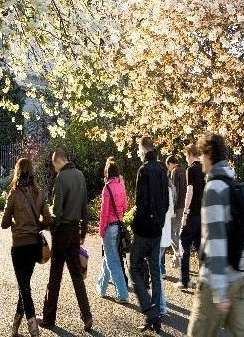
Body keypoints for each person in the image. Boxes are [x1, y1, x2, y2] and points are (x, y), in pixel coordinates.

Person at [187, 133, 244, 337]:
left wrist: (219, 291)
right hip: (239, 278)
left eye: (201, 154)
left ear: (209, 154)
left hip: (216, 282)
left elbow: (215, 240)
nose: (199, 159)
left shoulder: (215, 188)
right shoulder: (234, 184)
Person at [37, 149, 93, 331]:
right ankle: (87, 315)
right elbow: (85, 208)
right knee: (77, 275)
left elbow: (58, 211)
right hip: (75, 232)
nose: (55, 170)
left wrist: (50, 230)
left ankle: (48, 317)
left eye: (55, 166)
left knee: (55, 276)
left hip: (61, 232)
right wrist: (83, 232)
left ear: (59, 161)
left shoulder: (61, 178)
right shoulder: (80, 176)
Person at [1, 158, 52, 337]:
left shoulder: (13, 194)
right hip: (33, 246)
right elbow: (47, 220)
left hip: (19, 246)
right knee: (24, 285)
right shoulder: (40, 194)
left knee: (24, 287)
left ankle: (33, 328)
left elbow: (4, 223)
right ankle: (15, 326)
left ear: (17, 172)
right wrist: (35, 221)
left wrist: (16, 219)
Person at [129, 136, 169, 333]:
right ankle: (156, 318)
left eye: (138, 150)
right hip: (157, 229)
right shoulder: (162, 170)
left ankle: (150, 312)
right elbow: (167, 202)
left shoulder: (144, 170)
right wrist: (160, 220)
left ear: (143, 149)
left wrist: (134, 223)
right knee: (154, 270)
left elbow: (140, 203)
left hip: (144, 229)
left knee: (134, 268)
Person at [96, 157, 129, 303]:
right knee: (109, 257)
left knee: (112, 261)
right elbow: (125, 207)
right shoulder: (121, 186)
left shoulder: (106, 188)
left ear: (107, 173)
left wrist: (101, 230)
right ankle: (101, 288)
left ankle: (122, 294)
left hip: (109, 227)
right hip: (119, 226)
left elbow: (104, 212)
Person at [174, 144, 205, 289]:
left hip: (192, 213)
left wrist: (185, 214)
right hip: (203, 214)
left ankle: (185, 280)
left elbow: (190, 192)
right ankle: (203, 280)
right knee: (199, 246)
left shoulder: (191, 170)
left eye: (186, 156)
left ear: (191, 155)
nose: (186, 159)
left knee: (184, 242)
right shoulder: (205, 169)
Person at [165, 155, 187, 269]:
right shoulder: (184, 170)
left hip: (177, 206)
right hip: (183, 205)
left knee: (172, 233)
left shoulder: (174, 171)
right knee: (177, 233)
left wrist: (172, 209)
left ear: (169, 164)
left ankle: (180, 252)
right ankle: (176, 261)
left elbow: (174, 191)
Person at [159, 177, 174, 316]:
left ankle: (161, 306)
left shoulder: (159, 190)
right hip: (165, 235)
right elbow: (170, 213)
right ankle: (159, 304)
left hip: (158, 236)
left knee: (156, 272)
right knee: (156, 269)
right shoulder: (169, 190)